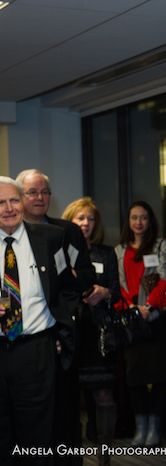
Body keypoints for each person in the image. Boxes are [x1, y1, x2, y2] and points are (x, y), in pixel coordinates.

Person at [16, 168, 96, 465]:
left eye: (45, 192)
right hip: (22, 340)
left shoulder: (66, 232)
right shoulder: (10, 236)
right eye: (32, 192)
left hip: (62, 335)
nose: (40, 198)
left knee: (65, 411)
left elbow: (84, 275)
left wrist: (65, 283)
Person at [0, 176, 78, 465]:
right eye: (1, 203)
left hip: (36, 351)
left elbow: (67, 291)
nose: (9, 208)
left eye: (14, 200)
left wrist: (62, 333)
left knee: (38, 437)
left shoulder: (50, 238)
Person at [115, 201, 166, 448]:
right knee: (135, 378)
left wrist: (149, 306)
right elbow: (118, 284)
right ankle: (140, 427)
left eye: (143, 217)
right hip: (132, 321)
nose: (138, 222)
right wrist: (134, 308)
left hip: (157, 319)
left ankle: (154, 428)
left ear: (150, 220)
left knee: (160, 376)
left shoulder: (161, 246)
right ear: (128, 221)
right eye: (134, 218)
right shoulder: (120, 250)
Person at [62, 197, 120, 465]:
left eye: (91, 219)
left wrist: (104, 292)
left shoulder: (106, 253)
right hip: (71, 332)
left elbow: (117, 291)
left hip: (99, 334)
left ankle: (105, 456)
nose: (86, 223)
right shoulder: (60, 251)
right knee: (70, 400)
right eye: (80, 218)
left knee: (104, 397)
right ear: (70, 221)